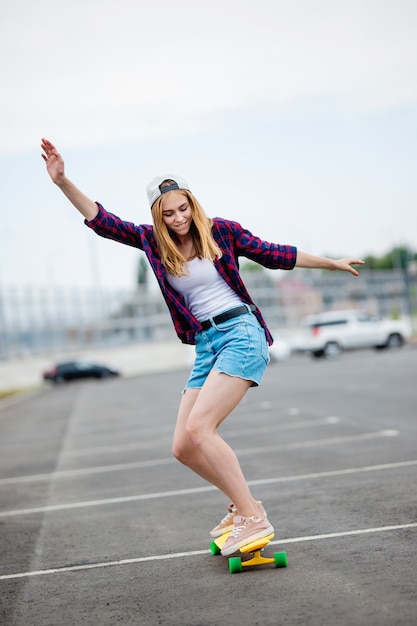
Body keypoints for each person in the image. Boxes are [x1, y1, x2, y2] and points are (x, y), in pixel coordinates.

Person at [41, 138, 364, 556]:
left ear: (193, 203)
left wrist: (332, 263)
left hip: (240, 333)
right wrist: (63, 180)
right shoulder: (153, 243)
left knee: (200, 428)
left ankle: (252, 516)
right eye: (168, 213)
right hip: (206, 346)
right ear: (158, 216)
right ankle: (241, 505)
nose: (178, 218)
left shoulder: (221, 232)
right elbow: (103, 221)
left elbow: (274, 254)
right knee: (183, 446)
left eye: (183, 208)